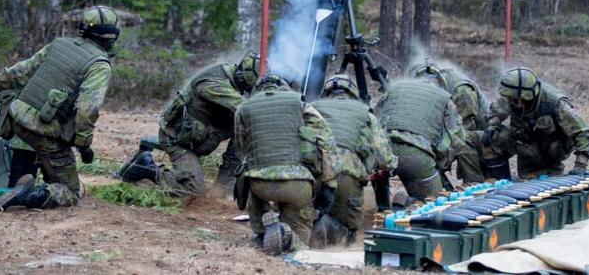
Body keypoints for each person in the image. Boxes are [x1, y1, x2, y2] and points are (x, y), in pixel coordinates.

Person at [0, 6, 119, 210]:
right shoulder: (99, 64)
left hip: (16, 119)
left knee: (38, 147)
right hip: (44, 134)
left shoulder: (59, 44)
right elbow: (87, 109)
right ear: (112, 36)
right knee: (71, 191)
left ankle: (23, 183)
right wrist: (83, 145)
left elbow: (23, 70)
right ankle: (30, 195)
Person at [118, 53, 260, 196]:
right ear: (241, 75)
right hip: (178, 141)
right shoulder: (213, 83)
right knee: (193, 192)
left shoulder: (237, 83)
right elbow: (246, 108)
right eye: (247, 86)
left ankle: (224, 185)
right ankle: (146, 167)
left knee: (245, 129)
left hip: (201, 138)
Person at [234, 74, 339, 255]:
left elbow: (242, 149)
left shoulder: (243, 109)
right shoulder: (300, 103)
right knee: (299, 229)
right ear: (284, 87)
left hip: (261, 186)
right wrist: (330, 184)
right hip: (298, 184)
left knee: (250, 176)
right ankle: (288, 236)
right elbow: (327, 143)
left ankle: (262, 234)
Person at [309, 74, 397, 246]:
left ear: (326, 92)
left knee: (304, 216)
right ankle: (326, 226)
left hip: (314, 178)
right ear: (353, 93)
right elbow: (384, 158)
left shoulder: (311, 108)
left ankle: (312, 224)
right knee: (347, 235)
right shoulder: (365, 114)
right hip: (346, 178)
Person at [483, 67, 589, 180]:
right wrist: (493, 125)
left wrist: (580, 165)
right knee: (493, 140)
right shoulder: (512, 96)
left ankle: (545, 174)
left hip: (550, 149)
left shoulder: (556, 104)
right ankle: (501, 181)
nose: (510, 102)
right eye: (509, 98)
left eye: (514, 99)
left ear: (526, 97)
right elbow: (497, 109)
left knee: (542, 183)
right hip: (524, 141)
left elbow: (583, 134)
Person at [374, 77, 466, 206]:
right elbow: (457, 139)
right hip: (416, 157)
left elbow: (374, 121)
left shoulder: (394, 88)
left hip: (384, 152)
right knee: (434, 206)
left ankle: (383, 209)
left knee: (378, 168)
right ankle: (404, 202)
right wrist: (440, 161)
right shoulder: (444, 97)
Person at [411, 62, 497, 182]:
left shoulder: (461, 91)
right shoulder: (433, 85)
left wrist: (443, 155)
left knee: (464, 145)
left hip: (483, 136)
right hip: (459, 129)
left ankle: (474, 184)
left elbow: (463, 132)